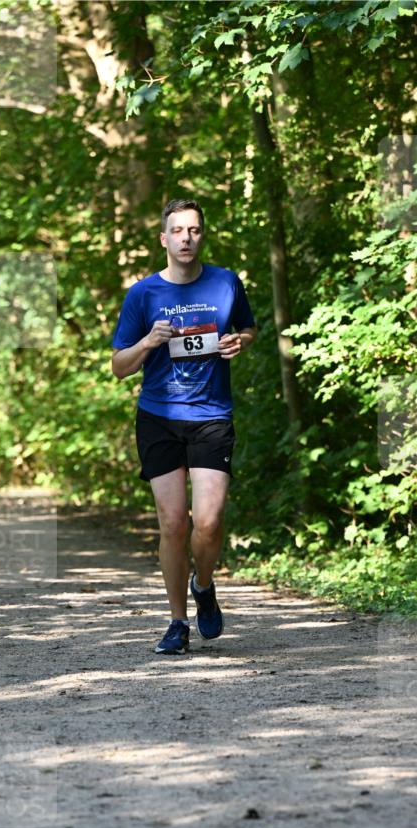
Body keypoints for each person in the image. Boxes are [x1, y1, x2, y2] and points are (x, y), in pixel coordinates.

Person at [111, 198, 257, 653]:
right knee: (173, 523)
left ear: (202, 236)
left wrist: (240, 342)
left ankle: (204, 585)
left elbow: (248, 328)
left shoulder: (225, 282)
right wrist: (147, 342)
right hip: (159, 417)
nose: (186, 238)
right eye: (177, 231)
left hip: (211, 415)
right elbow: (118, 367)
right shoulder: (143, 294)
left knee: (208, 522)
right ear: (164, 239)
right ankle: (177, 622)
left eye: (193, 230)